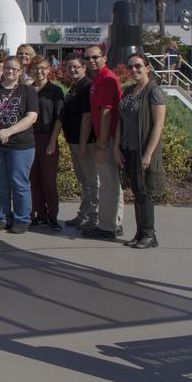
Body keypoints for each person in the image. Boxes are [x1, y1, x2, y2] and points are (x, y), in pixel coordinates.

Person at [0, 56, 39, 234]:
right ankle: (3, 217)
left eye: (14, 69)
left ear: (20, 72)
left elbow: (32, 117)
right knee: (0, 183)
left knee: (19, 183)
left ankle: (22, 219)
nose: (10, 71)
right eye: (7, 68)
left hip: (21, 145)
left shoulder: (27, 91)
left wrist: (8, 132)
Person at [116, 53, 167, 249]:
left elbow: (158, 125)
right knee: (137, 192)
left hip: (143, 150)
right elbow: (121, 120)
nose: (134, 70)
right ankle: (140, 233)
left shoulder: (154, 91)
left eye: (138, 66)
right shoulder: (128, 91)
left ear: (147, 67)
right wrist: (117, 146)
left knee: (145, 193)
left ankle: (149, 234)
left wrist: (148, 154)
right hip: (128, 148)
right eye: (130, 67)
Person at [83, 44, 124, 240]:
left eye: (95, 57)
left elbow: (106, 114)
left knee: (108, 184)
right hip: (105, 138)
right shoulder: (98, 79)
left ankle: (108, 227)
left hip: (106, 139)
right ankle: (114, 222)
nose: (91, 61)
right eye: (88, 58)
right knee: (110, 183)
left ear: (104, 58)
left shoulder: (107, 80)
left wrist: (101, 144)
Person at [60, 53, 96, 230]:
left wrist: (82, 144)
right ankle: (83, 214)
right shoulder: (74, 87)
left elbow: (87, 117)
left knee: (92, 182)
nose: (72, 70)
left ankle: (94, 218)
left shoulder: (87, 87)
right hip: (73, 141)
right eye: (69, 67)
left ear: (84, 67)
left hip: (86, 143)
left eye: (76, 67)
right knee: (84, 181)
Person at [29, 56, 65, 230]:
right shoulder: (26, 90)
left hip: (47, 138)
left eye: (43, 68)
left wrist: (52, 141)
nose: (39, 71)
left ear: (49, 69)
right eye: (36, 68)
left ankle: (52, 215)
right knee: (33, 179)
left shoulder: (55, 91)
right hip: (29, 140)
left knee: (48, 180)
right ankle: (40, 214)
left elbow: (59, 118)